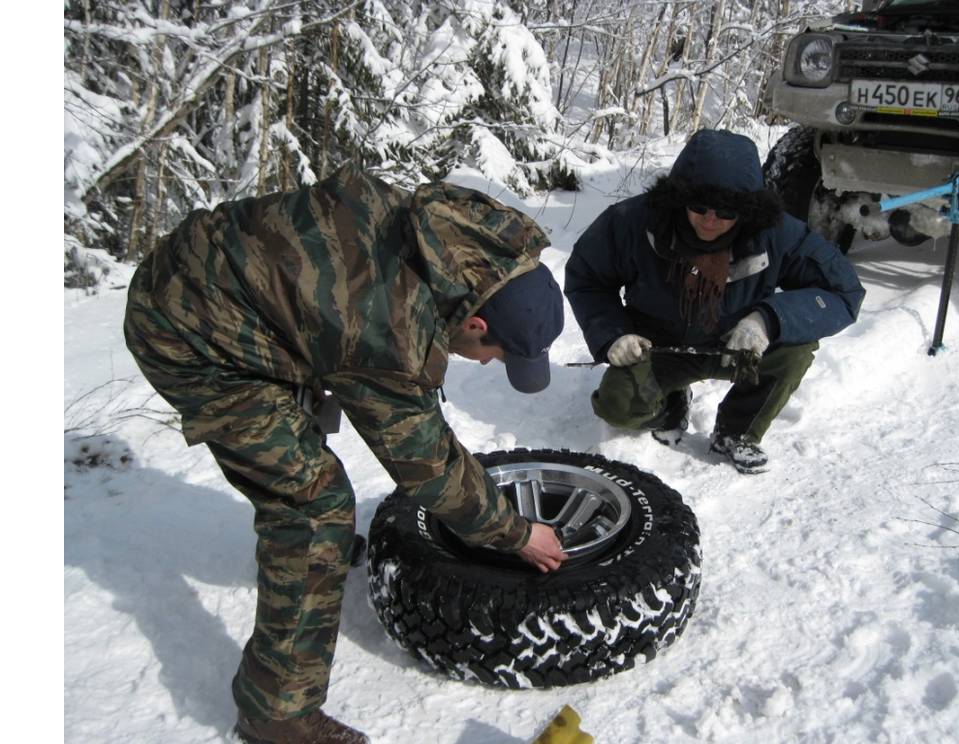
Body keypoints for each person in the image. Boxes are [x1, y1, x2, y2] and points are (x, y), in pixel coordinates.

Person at [123, 165, 567, 744]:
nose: (486, 364)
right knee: (314, 508)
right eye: (495, 355)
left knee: (300, 448)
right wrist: (515, 534)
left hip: (215, 277)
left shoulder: (449, 241)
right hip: (186, 334)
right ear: (477, 321)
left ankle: (309, 565)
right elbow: (427, 466)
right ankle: (276, 714)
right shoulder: (383, 327)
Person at [564, 128, 865, 474]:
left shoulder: (778, 234)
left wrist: (767, 320)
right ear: (679, 199)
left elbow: (844, 293)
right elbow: (587, 278)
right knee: (618, 406)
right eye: (698, 206)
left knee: (795, 350)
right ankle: (670, 405)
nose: (710, 220)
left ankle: (736, 431)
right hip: (659, 347)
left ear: (747, 210)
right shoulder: (633, 223)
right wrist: (612, 334)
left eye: (725, 212)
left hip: (738, 346)